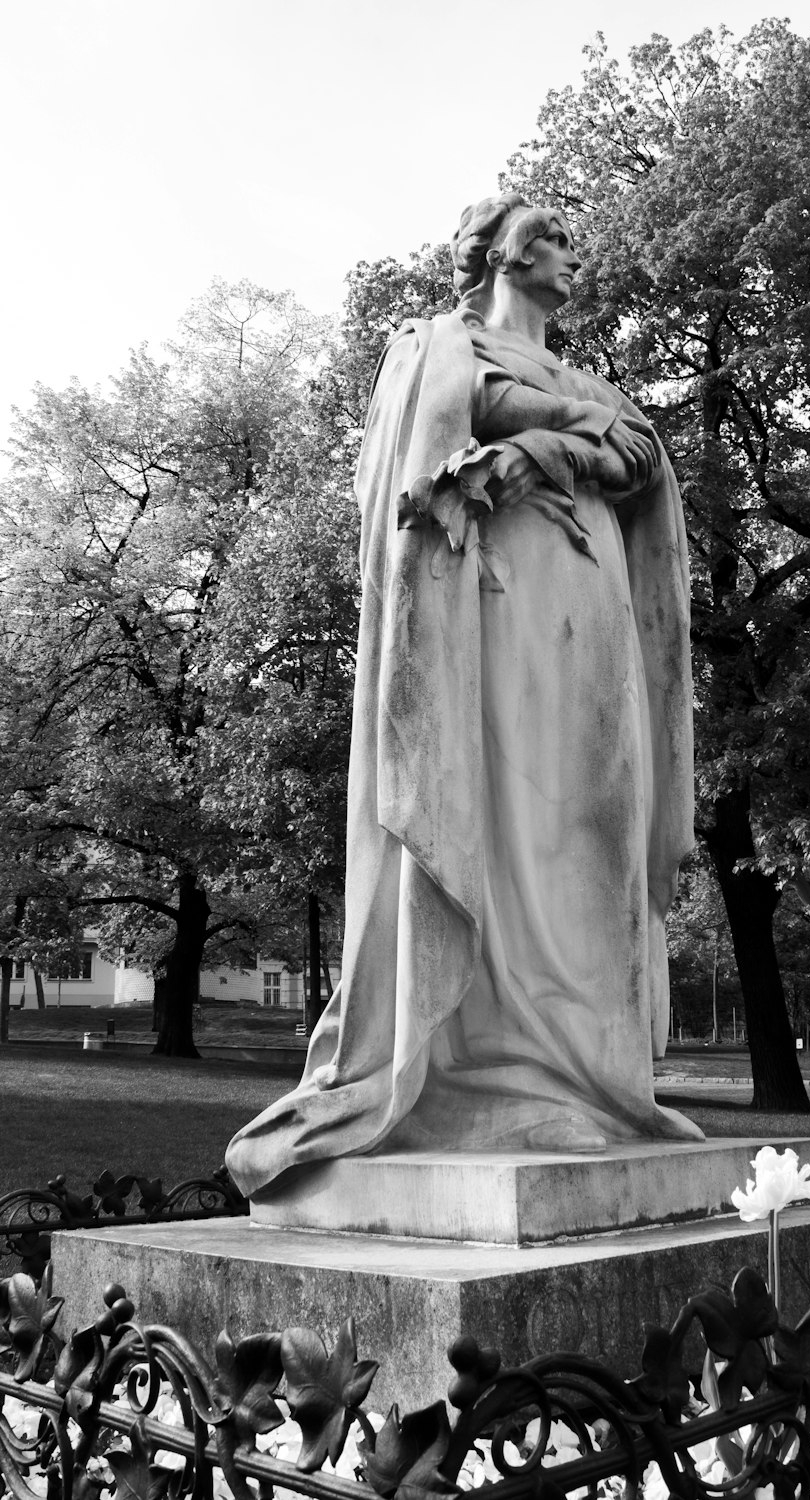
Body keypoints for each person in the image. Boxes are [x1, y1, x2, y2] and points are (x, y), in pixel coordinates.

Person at [227, 194, 703, 1202]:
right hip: (489, 616)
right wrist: (568, 444)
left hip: (593, 612)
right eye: (555, 240)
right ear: (500, 253)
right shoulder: (434, 346)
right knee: (510, 812)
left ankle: (590, 1071)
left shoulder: (584, 379)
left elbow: (638, 459)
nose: (573, 257)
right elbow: (404, 483)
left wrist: (541, 448)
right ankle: (498, 1069)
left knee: (594, 826)